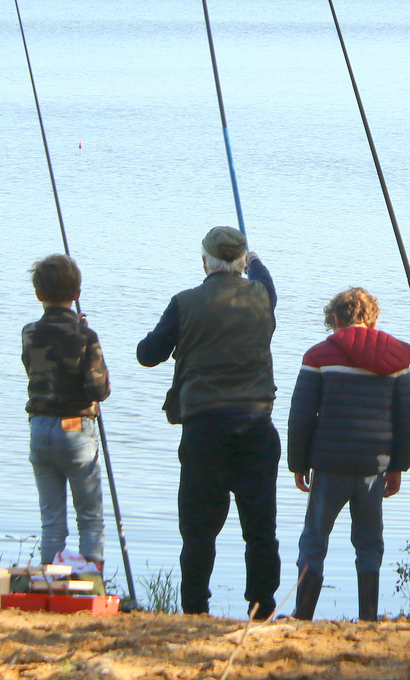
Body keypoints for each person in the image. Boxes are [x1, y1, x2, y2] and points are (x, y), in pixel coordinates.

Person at [137, 226, 281, 619]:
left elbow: (148, 355)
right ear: (241, 263)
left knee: (199, 529)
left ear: (204, 261)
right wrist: (255, 260)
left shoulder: (184, 303)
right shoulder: (262, 297)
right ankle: (262, 608)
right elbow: (265, 278)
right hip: (255, 425)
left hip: (204, 430)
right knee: (260, 528)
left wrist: (158, 341)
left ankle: (195, 608)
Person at [287, 288, 410, 622]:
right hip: (374, 465)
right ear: (374, 320)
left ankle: (302, 617)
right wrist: (398, 466)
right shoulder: (395, 360)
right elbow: (408, 418)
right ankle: (368, 618)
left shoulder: (319, 356)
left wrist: (298, 463)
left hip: (329, 465)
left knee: (314, 539)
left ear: (335, 320)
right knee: (369, 541)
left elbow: (301, 415)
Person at [22, 253, 111, 571]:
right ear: (77, 294)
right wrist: (85, 337)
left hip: (40, 429)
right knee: (89, 517)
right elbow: (99, 390)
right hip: (75, 430)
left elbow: (36, 367)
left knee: (52, 520)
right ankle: (90, 584)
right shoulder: (86, 337)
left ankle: (50, 582)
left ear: (39, 294)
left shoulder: (29, 333)